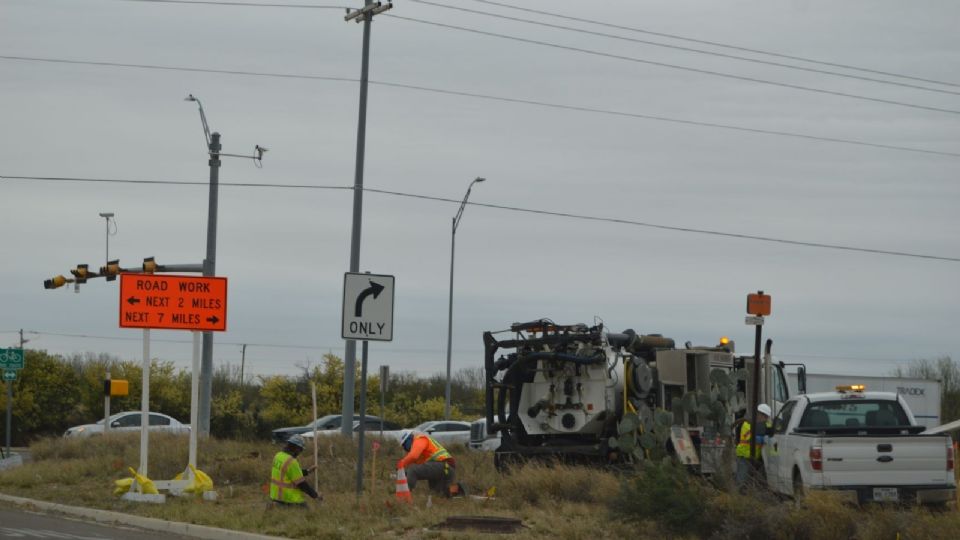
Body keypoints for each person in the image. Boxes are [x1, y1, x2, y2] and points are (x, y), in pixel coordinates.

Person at [396, 430, 463, 498]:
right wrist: (405, 473)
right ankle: (459, 490)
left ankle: (404, 496)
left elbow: (413, 457)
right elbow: (421, 468)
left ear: (409, 438)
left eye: (404, 445)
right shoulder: (421, 449)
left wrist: (401, 464)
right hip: (446, 469)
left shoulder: (420, 439)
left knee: (413, 470)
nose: (405, 448)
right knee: (439, 495)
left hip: (444, 465)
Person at [269, 434, 321, 507]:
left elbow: (290, 473)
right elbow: (302, 484)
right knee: (309, 516)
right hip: (290, 500)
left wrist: (308, 471)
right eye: (301, 450)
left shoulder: (278, 456)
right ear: (297, 448)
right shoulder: (291, 461)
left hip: (275, 497)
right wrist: (315, 495)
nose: (300, 452)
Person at [735, 403, 772, 489]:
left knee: (753, 482)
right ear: (758, 414)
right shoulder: (747, 424)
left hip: (756, 458)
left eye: (766, 417)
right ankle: (738, 497)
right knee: (741, 480)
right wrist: (764, 439)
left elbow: (772, 433)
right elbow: (751, 439)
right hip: (744, 456)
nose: (765, 419)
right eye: (763, 416)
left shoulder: (766, 425)